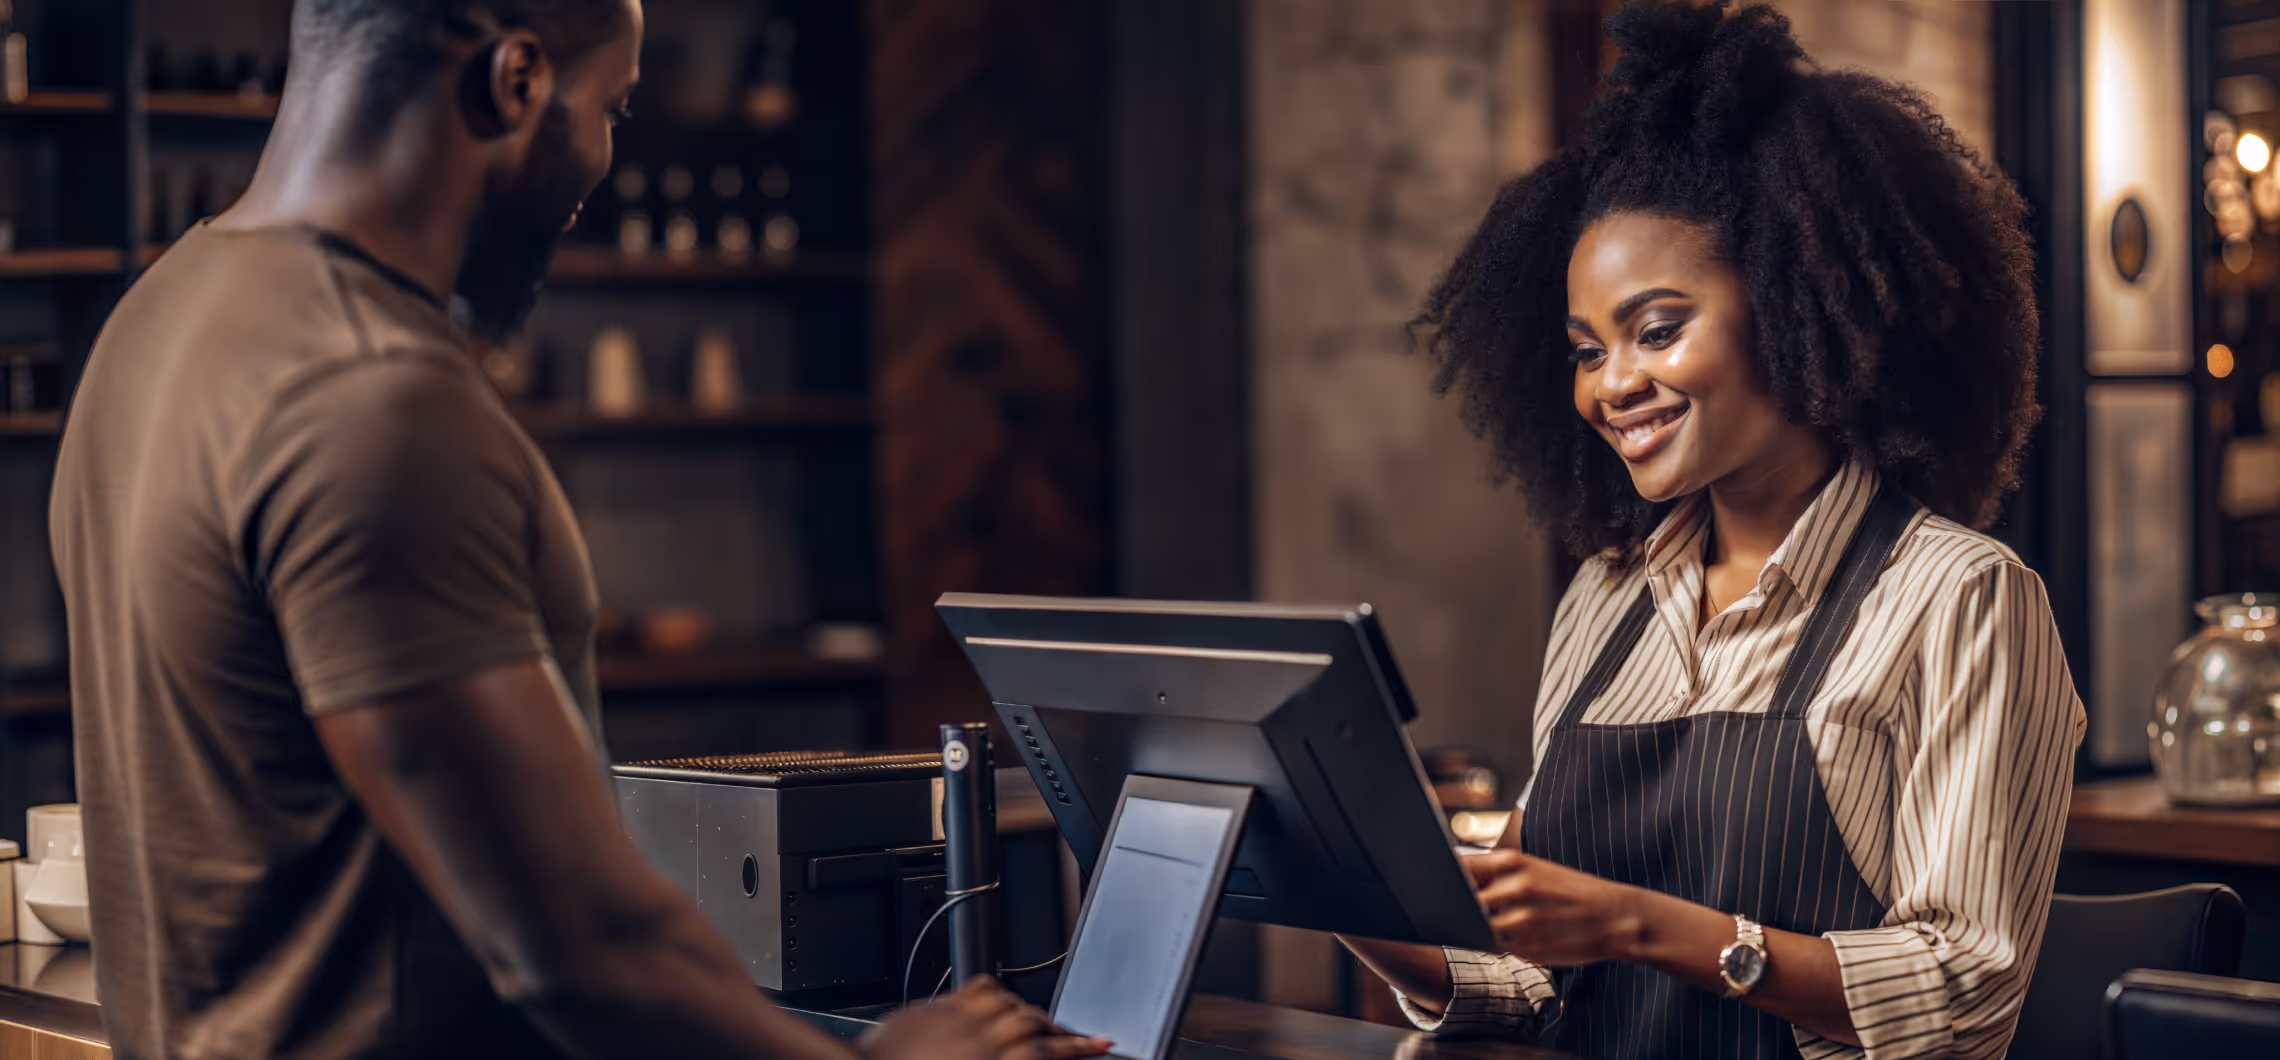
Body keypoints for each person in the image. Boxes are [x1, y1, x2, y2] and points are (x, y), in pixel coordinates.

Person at [48, 3, 1106, 1059]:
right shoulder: (368, 395)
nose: (605, 161)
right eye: (614, 107)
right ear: (516, 83)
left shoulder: (154, 320)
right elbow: (578, 947)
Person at [1338, 4, 2084, 1060]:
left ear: (1797, 305)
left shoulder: (1960, 597)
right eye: (1586, 350)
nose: (1611, 386)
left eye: (1656, 330)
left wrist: (1641, 925)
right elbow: (1548, 992)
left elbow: (1961, 998)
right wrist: (1343, 890)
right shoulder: (1606, 599)